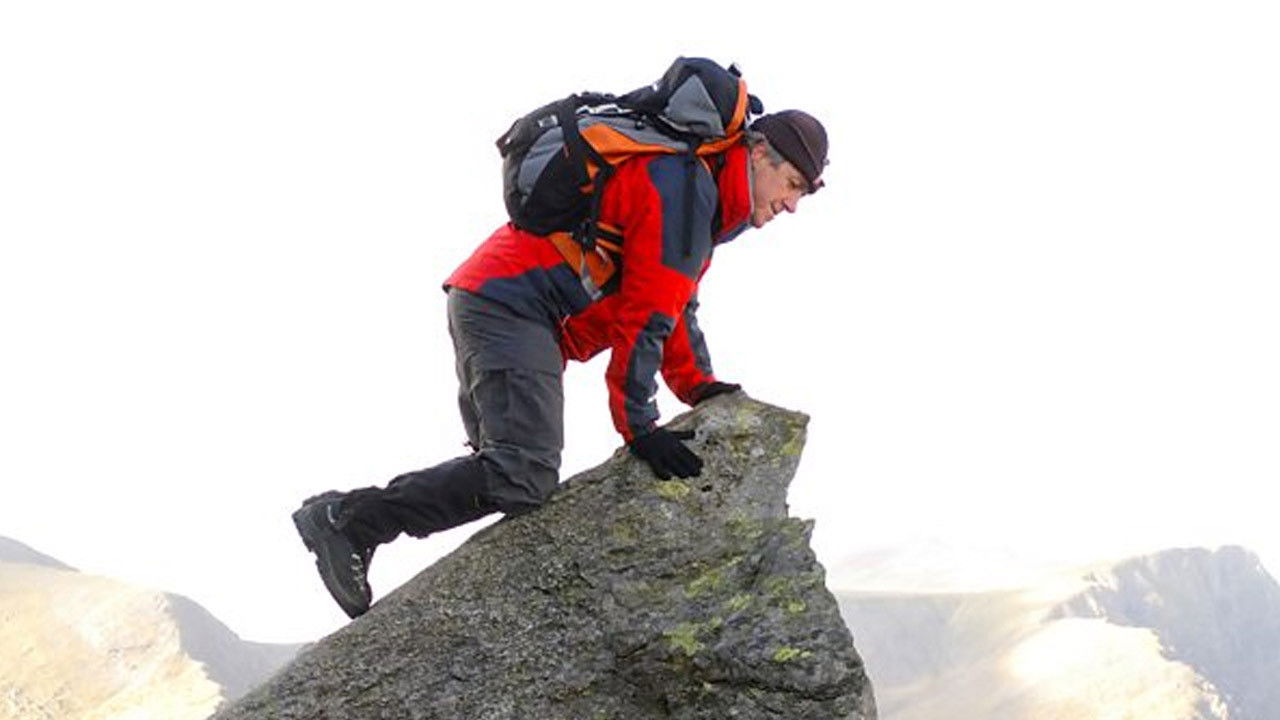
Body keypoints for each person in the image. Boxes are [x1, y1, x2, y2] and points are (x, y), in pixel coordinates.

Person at [293, 108, 829, 619]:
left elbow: (672, 303)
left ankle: (360, 525)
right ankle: (349, 522)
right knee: (523, 473)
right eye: (794, 185)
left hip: (508, 304)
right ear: (759, 153)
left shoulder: (697, 197)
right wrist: (639, 428)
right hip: (509, 303)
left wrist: (697, 387)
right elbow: (648, 319)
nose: (792, 205)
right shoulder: (685, 190)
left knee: (510, 472)